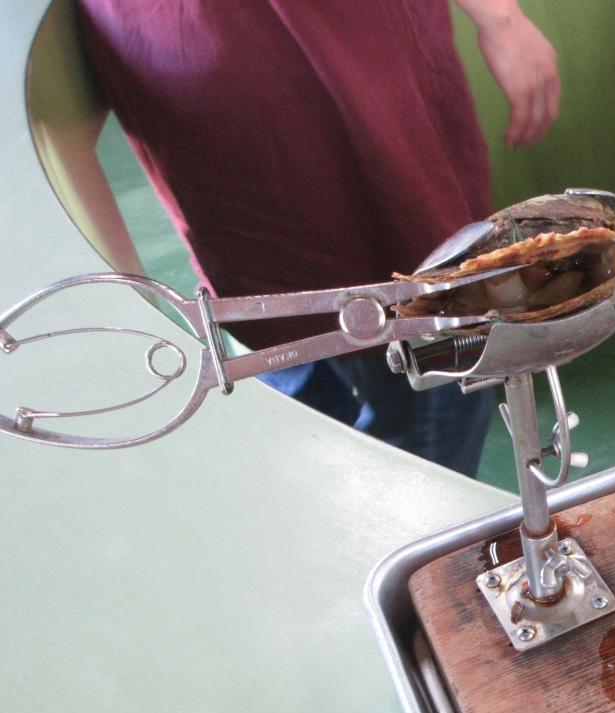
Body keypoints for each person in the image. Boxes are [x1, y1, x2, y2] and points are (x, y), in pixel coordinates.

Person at [76, 0, 559, 476]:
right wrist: (501, 18)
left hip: (206, 61)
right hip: (275, 73)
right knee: (426, 352)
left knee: (312, 371)